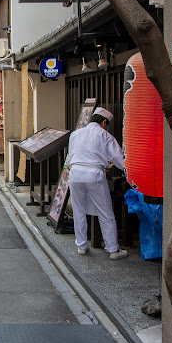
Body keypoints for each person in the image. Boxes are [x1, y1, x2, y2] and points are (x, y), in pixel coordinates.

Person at [65, 106, 128, 260]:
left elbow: (71, 155)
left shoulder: (75, 134)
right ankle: (113, 249)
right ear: (104, 122)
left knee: (79, 211)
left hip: (75, 174)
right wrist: (130, 173)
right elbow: (119, 159)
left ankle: (81, 246)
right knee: (105, 211)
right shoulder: (103, 134)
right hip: (94, 174)